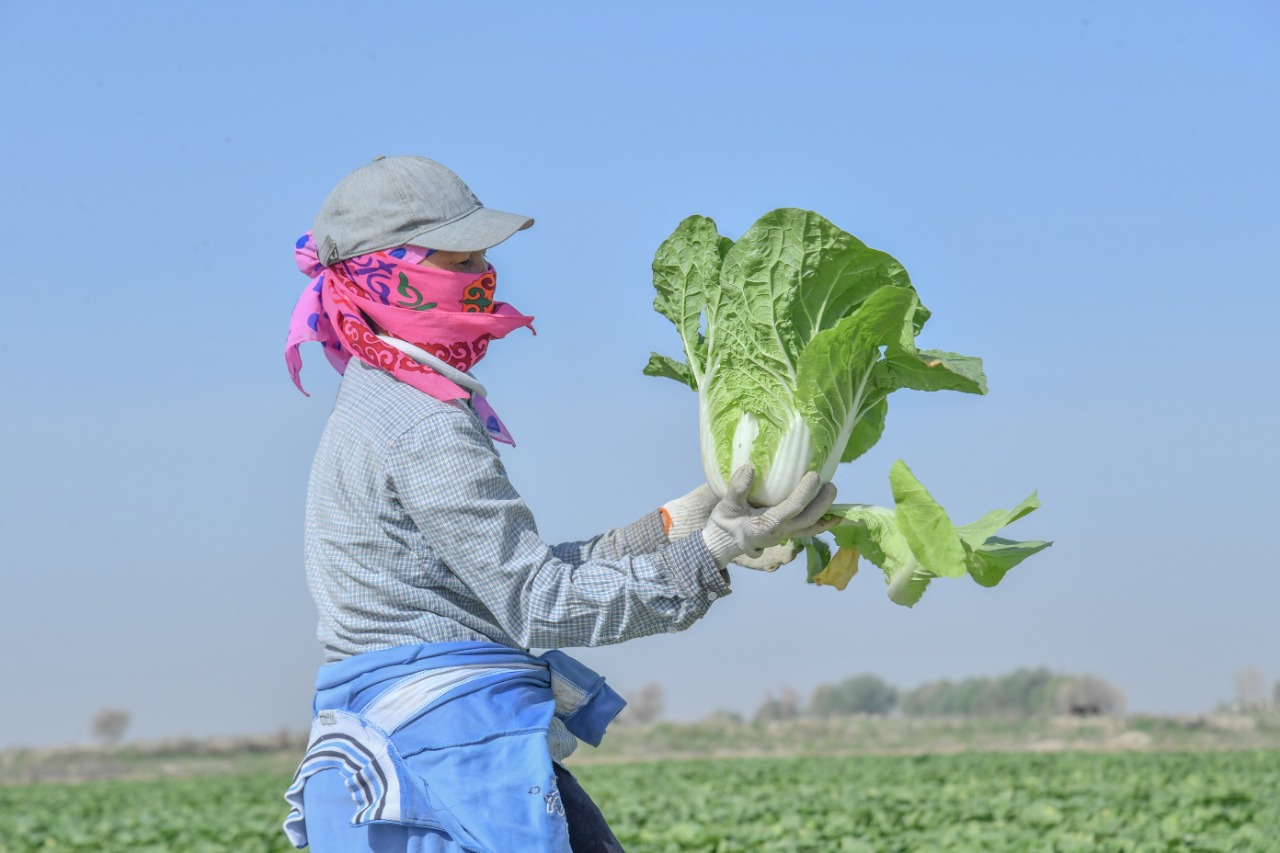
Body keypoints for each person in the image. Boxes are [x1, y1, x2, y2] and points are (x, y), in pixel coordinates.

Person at [280, 155, 836, 852]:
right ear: (394, 269)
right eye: (463, 256)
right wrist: (710, 553)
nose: (486, 275)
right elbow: (539, 603)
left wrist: (672, 526)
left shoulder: (373, 398)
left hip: (404, 754)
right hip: (449, 764)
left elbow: (507, 576)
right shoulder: (424, 421)